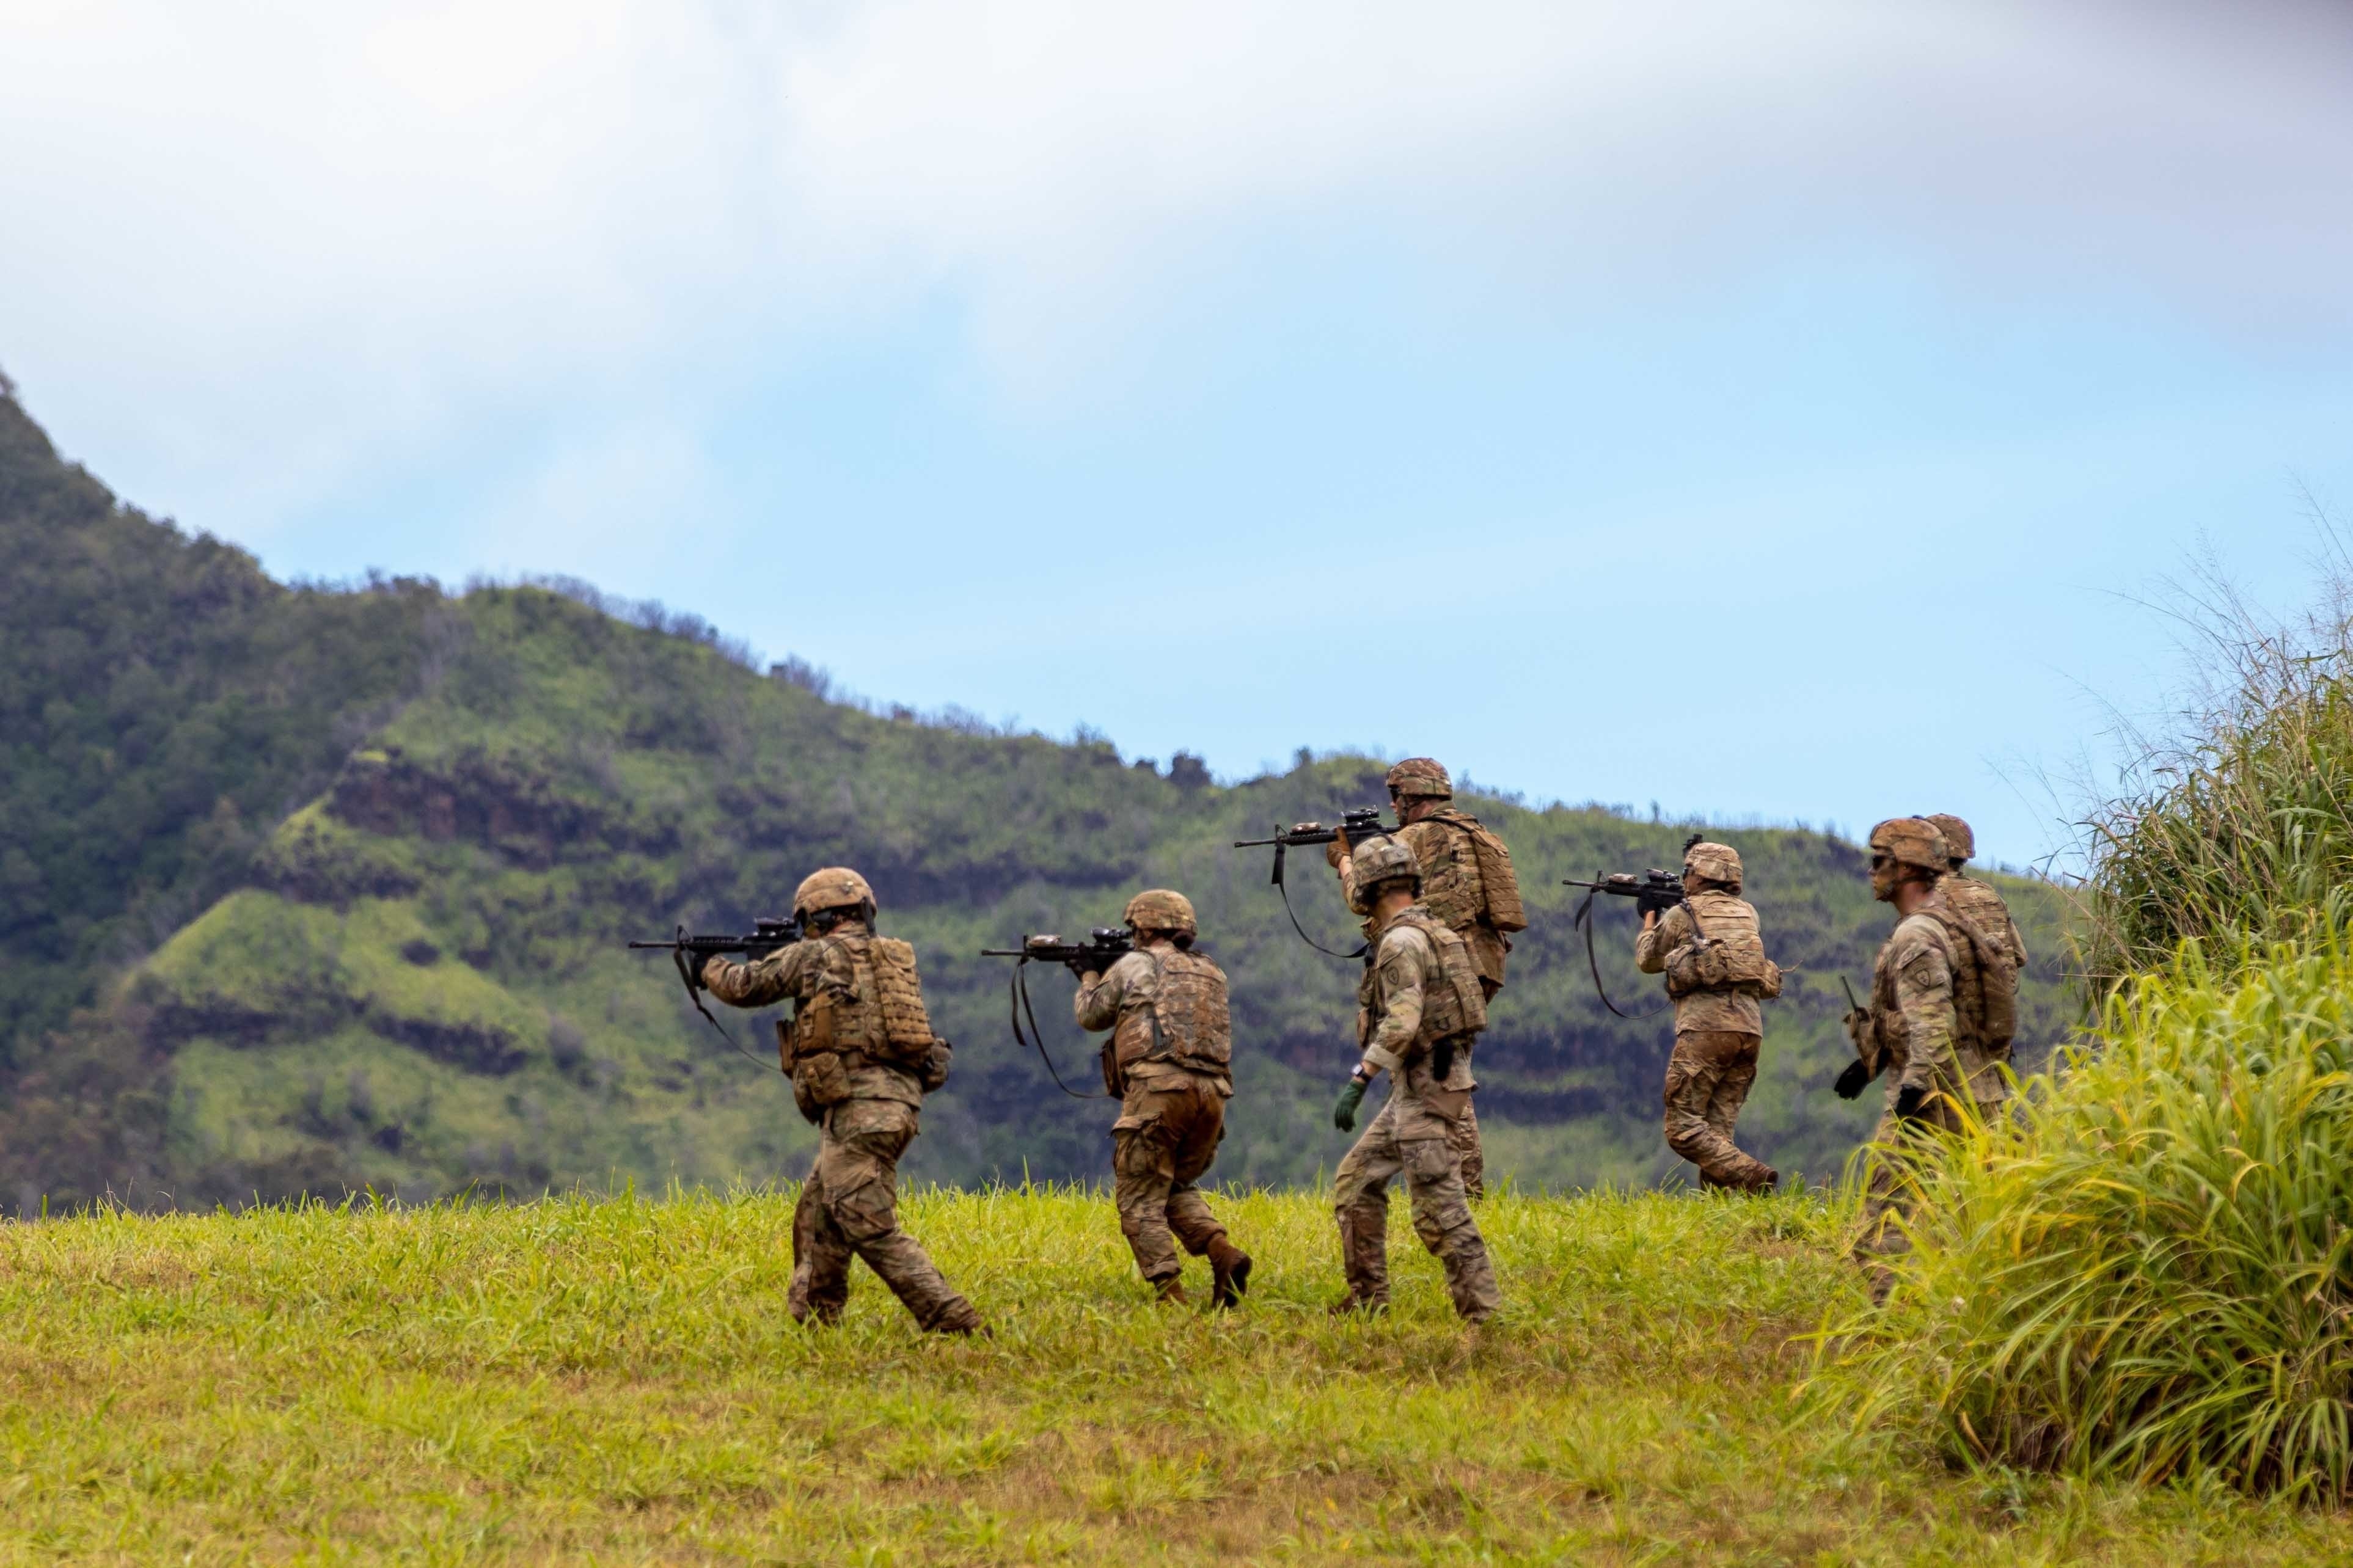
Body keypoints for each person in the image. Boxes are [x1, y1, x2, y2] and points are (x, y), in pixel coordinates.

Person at [700, 866, 983, 1335]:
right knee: (819, 1211)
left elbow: (744, 986)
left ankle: (953, 1318)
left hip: (859, 1111)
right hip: (897, 1106)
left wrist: (707, 964)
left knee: (867, 1224)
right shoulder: (891, 958)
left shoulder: (814, 955)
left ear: (814, 915)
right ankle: (815, 1317)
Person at [1328, 757, 1525, 1197]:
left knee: (1440, 1071)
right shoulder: (1474, 833)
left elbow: (1362, 896)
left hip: (1439, 968)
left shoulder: (1414, 836)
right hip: (1481, 965)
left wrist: (1344, 859)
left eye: (1396, 797)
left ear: (1410, 797)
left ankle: (1464, 1187)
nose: (1393, 806)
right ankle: (1458, 1184)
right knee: (1445, 1066)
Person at [1837, 819, 2013, 1303]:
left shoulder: (1917, 933)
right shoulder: (1953, 920)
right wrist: (1871, 1062)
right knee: (1967, 1215)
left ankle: (1890, 1322)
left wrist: (1910, 1091)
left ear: (1907, 867)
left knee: (1883, 1220)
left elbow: (1931, 1023)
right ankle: (1970, 1311)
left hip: (1936, 1094)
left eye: (1879, 861)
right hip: (1977, 1085)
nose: (1870, 871)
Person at [1327, 836, 1502, 1322]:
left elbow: (1402, 1023)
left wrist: (1360, 1077)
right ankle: (1368, 1302)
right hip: (1419, 1086)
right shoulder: (1434, 929)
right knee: (1356, 1181)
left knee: (1441, 1213)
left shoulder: (1400, 942)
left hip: (1427, 1086)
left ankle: (1482, 1320)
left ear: (1368, 888)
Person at [1072, 889, 1254, 1307]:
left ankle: (1169, 1293)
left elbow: (1090, 1014)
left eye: (1135, 927)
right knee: (1172, 1184)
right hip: (1211, 1095)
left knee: (1138, 1196)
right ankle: (1221, 1251)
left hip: (1159, 1093)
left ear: (1146, 926)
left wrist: (1087, 975)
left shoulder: (1136, 963)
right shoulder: (1211, 971)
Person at [1632, 839, 1780, 1191]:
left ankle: (1753, 1175)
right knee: (1717, 1130)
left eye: (1689, 872)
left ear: (1700, 875)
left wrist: (1650, 917)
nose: (1685, 879)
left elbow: (1648, 959)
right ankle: (1723, 1214)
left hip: (1706, 1030)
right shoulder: (1749, 912)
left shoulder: (1684, 913)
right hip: (1749, 1030)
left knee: (1682, 1127)